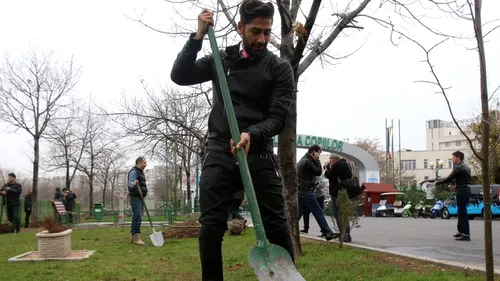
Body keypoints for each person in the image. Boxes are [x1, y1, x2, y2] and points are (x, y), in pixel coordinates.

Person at [171, 1, 295, 279]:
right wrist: (198, 37)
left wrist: (253, 133)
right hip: (219, 151)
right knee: (211, 227)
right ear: (240, 28)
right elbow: (180, 76)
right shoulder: (221, 59)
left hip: (259, 152)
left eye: (267, 32)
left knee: (276, 224)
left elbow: (278, 118)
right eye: (255, 32)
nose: (262, 39)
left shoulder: (279, 68)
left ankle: (287, 276)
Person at [297, 145, 336, 240]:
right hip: (306, 191)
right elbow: (318, 172)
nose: (320, 154)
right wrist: (317, 159)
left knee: (298, 213)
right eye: (319, 153)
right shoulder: (307, 162)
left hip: (301, 191)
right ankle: (328, 232)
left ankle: (285, 229)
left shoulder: (303, 160)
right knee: (318, 211)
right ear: (314, 152)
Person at [435, 150, 472, 241]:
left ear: (458, 158)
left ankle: (466, 234)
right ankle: (461, 231)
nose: (452, 159)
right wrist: (456, 186)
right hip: (465, 190)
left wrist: (437, 182)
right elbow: (465, 181)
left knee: (462, 212)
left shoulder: (458, 167)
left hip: (462, 192)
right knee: (461, 211)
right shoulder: (466, 167)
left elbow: (449, 178)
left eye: (453, 157)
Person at [324, 154, 355, 242]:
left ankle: (344, 235)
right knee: (343, 214)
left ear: (333, 160)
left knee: (338, 214)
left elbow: (329, 175)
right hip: (344, 192)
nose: (330, 163)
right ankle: (346, 235)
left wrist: (327, 169)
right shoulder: (346, 164)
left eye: (330, 161)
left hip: (337, 192)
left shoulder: (338, 165)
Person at [127, 157, 148, 246]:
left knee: (137, 216)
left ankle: (133, 237)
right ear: (139, 163)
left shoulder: (140, 172)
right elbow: (130, 183)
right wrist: (134, 183)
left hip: (140, 197)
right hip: (135, 197)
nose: (146, 164)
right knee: (137, 216)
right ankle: (136, 238)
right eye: (144, 162)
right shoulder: (134, 171)